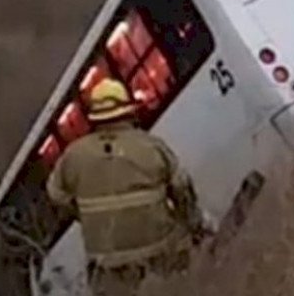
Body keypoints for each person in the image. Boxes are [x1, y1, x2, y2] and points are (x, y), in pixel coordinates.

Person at [46, 77, 205, 295]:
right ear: (129, 112)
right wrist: (194, 224)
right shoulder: (151, 146)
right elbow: (182, 189)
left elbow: (56, 195)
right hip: (160, 252)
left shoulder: (73, 156)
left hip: (108, 263)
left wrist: (84, 213)